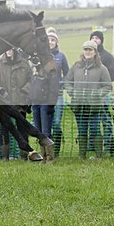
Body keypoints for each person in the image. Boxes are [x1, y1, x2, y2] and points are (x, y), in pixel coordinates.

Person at [64, 40, 112, 158]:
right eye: (86, 49)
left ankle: (99, 155)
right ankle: (82, 155)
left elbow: (108, 86)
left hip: (94, 106)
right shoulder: (76, 66)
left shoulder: (102, 68)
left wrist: (97, 94)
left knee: (95, 129)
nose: (88, 52)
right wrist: (72, 92)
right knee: (82, 129)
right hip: (79, 105)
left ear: (95, 52)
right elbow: (67, 82)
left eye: (90, 49)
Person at [0, 48, 31, 161]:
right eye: (6, 49)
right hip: (4, 102)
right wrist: (1, 91)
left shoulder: (24, 64)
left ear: (15, 50)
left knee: (22, 128)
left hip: (20, 101)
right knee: (4, 128)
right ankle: (5, 156)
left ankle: (23, 155)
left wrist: (24, 91)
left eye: (10, 49)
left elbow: (30, 80)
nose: (8, 51)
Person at [89, 30, 114, 156]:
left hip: (103, 94)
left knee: (105, 120)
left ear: (101, 40)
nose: (95, 40)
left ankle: (108, 145)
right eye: (93, 38)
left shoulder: (107, 57)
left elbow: (112, 75)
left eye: (97, 38)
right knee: (91, 120)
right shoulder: (88, 56)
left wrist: (99, 84)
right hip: (89, 95)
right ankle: (93, 146)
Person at [46, 28, 70, 157]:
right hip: (44, 95)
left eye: (53, 40)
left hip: (58, 95)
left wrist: (62, 84)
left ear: (56, 42)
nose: (50, 42)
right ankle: (47, 150)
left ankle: (56, 150)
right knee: (45, 123)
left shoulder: (61, 57)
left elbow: (67, 73)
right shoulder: (40, 56)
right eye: (48, 39)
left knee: (56, 122)